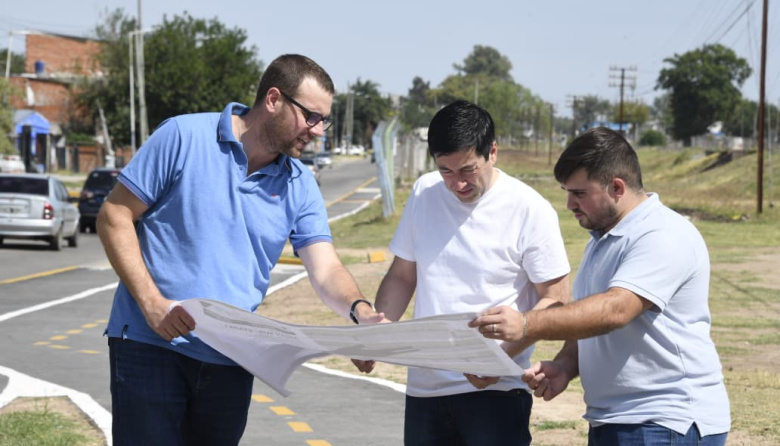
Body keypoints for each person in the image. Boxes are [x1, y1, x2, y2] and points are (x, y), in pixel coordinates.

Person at [98, 54, 386, 445]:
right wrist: (152, 304)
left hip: (231, 359)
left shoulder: (300, 183)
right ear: (273, 100)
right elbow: (114, 215)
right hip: (151, 346)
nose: (318, 131)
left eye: (324, 120)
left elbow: (326, 269)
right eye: (311, 117)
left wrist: (361, 313)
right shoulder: (182, 137)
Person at [470, 127, 731, 445]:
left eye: (579, 193)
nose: (569, 204)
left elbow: (615, 310)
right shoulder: (605, 237)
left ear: (617, 187)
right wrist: (565, 365)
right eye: (567, 191)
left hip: (664, 421)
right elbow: (592, 321)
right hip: (622, 419)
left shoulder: (662, 234)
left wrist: (525, 323)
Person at [354, 100, 571, 446]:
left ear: (493, 152)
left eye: (467, 170)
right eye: (446, 171)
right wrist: (379, 335)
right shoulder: (424, 192)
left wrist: (498, 356)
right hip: (425, 391)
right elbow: (402, 276)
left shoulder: (530, 208)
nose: (457, 184)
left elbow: (556, 300)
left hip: (497, 390)